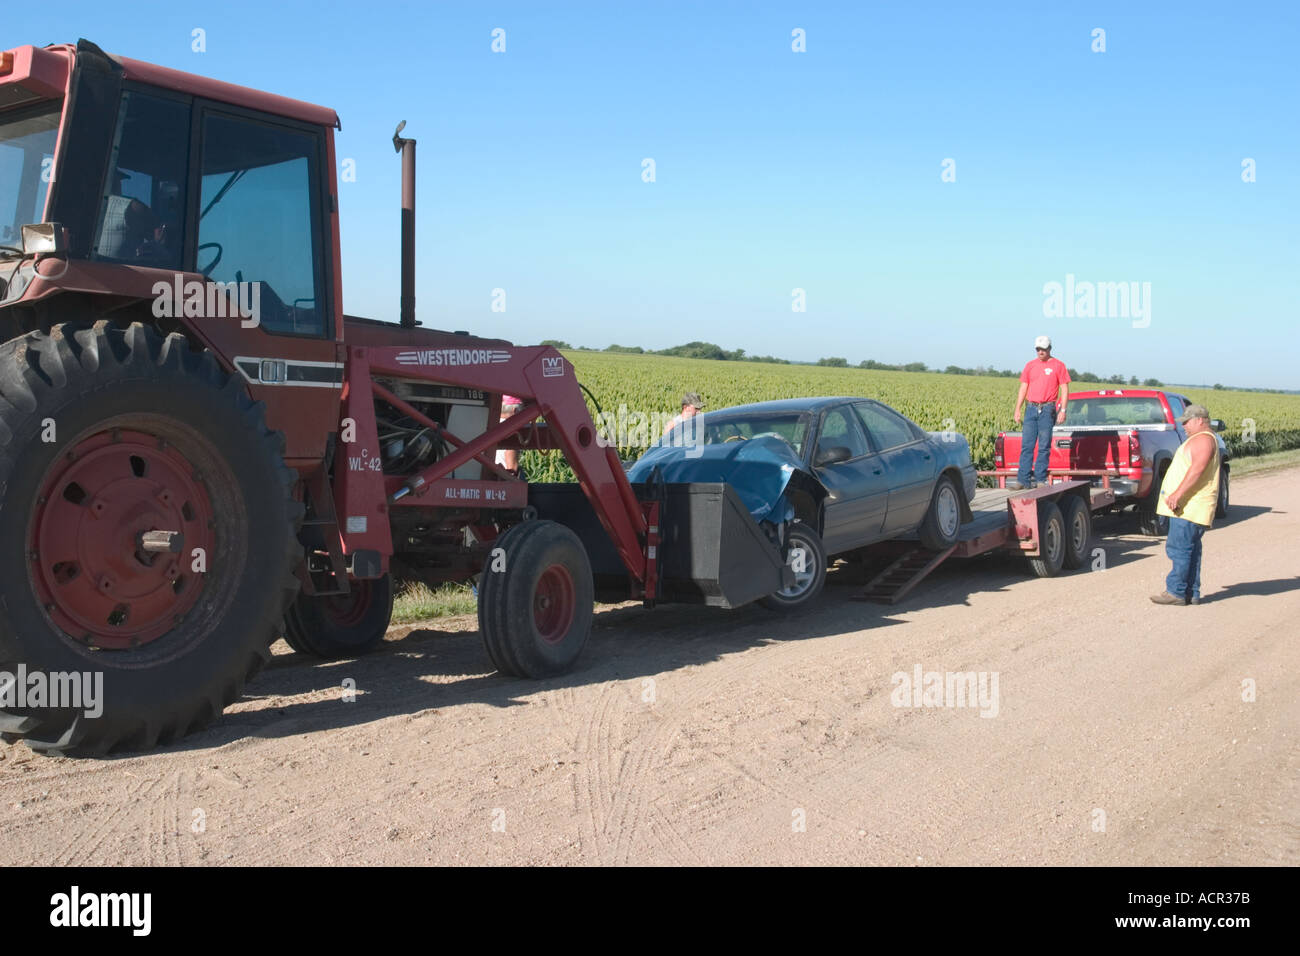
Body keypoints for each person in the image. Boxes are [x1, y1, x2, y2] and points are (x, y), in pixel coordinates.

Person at [1150, 404, 1220, 606]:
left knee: (1179, 549)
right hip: (1192, 507)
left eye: (1187, 422)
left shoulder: (1203, 440)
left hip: (1189, 507)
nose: (1184, 427)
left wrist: (1178, 494)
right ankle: (1190, 592)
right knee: (1190, 550)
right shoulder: (1203, 439)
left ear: (1200, 420)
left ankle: (1176, 592)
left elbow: (1197, 469)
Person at [1009, 335, 1070, 490]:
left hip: (1047, 408)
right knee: (1027, 445)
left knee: (1043, 445)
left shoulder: (1058, 365)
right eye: (1038, 349)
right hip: (1030, 408)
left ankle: (1041, 479)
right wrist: (1017, 409)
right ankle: (1022, 480)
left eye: (1043, 349)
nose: (1040, 352)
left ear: (1049, 349)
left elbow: (1064, 388)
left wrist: (1063, 410)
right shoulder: (1030, 365)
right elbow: (1023, 387)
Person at [495, 395, 523, 477]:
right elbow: (512, 467)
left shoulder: (492, 424)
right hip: (503, 477)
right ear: (515, 411)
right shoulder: (512, 430)